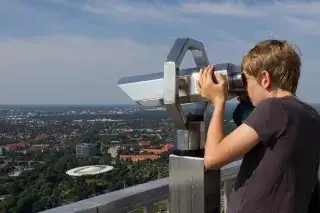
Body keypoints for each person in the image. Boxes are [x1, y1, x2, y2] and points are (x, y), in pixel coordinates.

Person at [196, 39, 320, 213]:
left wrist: (218, 101)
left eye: (247, 81)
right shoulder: (310, 115)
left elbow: (213, 159)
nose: (245, 89)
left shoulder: (274, 108)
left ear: (265, 78)